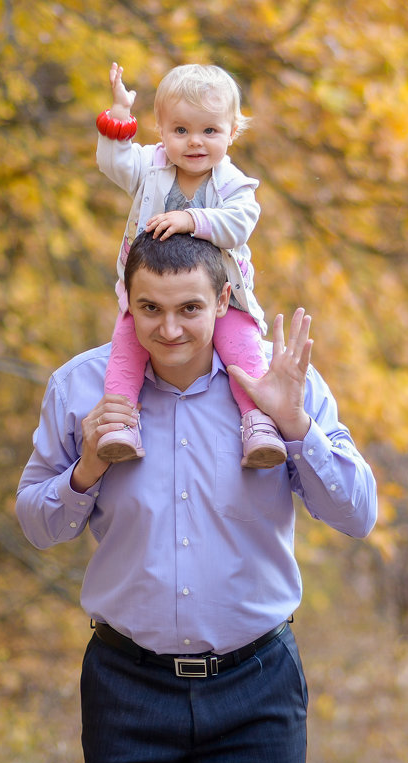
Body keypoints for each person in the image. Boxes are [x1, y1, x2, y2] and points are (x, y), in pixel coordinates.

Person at [15, 231, 378, 763]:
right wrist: (85, 469)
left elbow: (358, 515)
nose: (169, 330)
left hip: (257, 685)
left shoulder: (281, 384)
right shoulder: (79, 388)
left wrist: (298, 429)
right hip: (126, 688)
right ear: (125, 302)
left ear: (225, 299)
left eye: (190, 308)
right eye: (149, 309)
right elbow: (37, 526)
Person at [94, 61, 285, 469]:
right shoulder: (151, 167)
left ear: (231, 133)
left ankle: (258, 423)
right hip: (151, 291)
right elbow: (114, 164)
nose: (194, 142)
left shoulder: (232, 184)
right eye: (180, 130)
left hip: (219, 295)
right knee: (126, 350)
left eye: (210, 131)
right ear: (161, 131)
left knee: (244, 348)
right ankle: (120, 423)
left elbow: (239, 223)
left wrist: (191, 219)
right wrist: (120, 116)